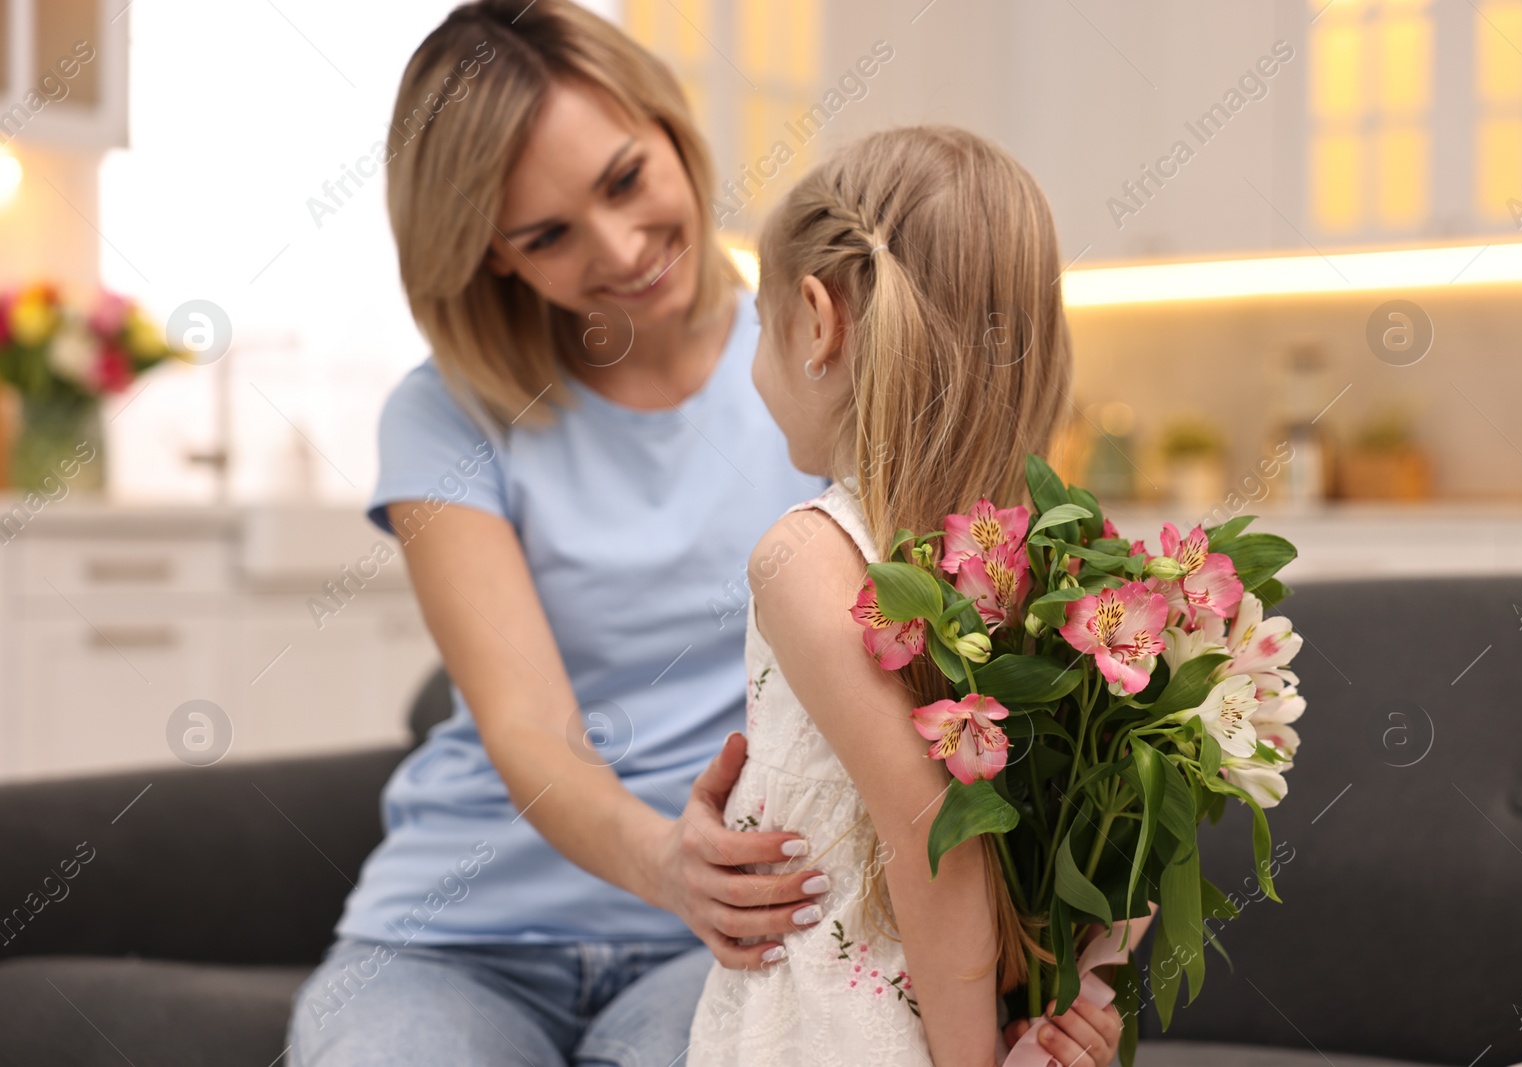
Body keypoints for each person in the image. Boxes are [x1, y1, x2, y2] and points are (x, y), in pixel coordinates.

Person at [286, 2, 829, 1064]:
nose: (622, 250)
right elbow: (527, 723)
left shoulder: (824, 361)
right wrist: (666, 859)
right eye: (546, 235)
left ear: (669, 127)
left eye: (626, 178)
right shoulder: (445, 411)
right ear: (493, 255)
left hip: (726, 944)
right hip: (451, 940)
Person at [685, 126, 1127, 1067]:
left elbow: (940, 836)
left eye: (761, 329)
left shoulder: (807, 553)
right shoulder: (1047, 573)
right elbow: (1104, 837)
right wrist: (1072, 1006)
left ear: (816, 320)